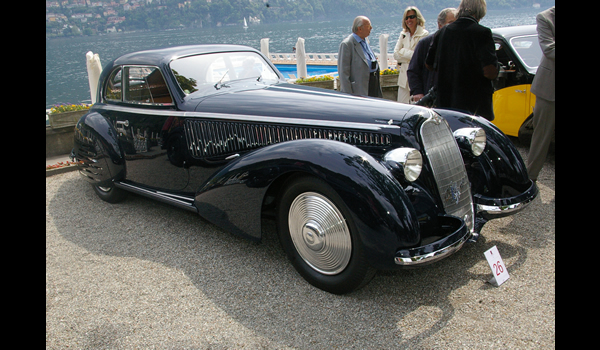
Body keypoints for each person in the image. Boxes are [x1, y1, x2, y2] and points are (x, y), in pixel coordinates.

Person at [425, 0, 498, 121]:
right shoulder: (482, 33)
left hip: (445, 103)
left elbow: (429, 64)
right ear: (480, 12)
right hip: (474, 105)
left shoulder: (442, 32)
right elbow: (489, 72)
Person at [526, 6, 555, 182]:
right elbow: (550, 49)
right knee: (541, 138)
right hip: (549, 88)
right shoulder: (545, 17)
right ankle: (530, 178)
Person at [407, 8, 457, 106]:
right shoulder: (425, 43)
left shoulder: (459, 44)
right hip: (431, 96)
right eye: (451, 23)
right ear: (440, 25)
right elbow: (413, 70)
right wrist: (417, 92)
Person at [338, 16, 383, 98]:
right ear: (360, 29)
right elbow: (343, 73)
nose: (371, 28)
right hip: (359, 90)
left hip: (373, 85)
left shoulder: (365, 41)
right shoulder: (347, 44)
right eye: (368, 26)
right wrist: (348, 96)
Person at [393, 6, 428, 104]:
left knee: (416, 109)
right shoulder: (403, 34)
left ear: (417, 18)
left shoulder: (424, 34)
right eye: (407, 18)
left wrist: (403, 52)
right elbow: (396, 54)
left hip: (417, 79)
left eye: (412, 17)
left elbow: (420, 57)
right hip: (403, 80)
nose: (409, 20)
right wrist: (412, 55)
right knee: (401, 109)